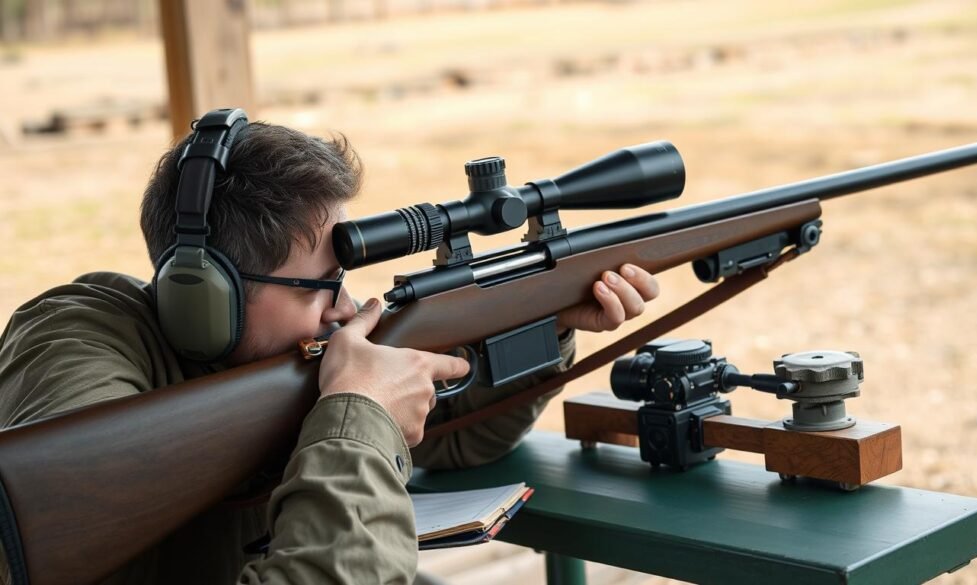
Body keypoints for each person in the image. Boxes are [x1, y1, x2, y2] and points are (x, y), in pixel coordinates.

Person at [0, 119, 659, 584]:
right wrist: (356, 414)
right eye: (319, 285)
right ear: (205, 296)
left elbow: (457, 443)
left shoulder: (281, 361)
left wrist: (546, 324)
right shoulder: (74, 337)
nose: (344, 308)